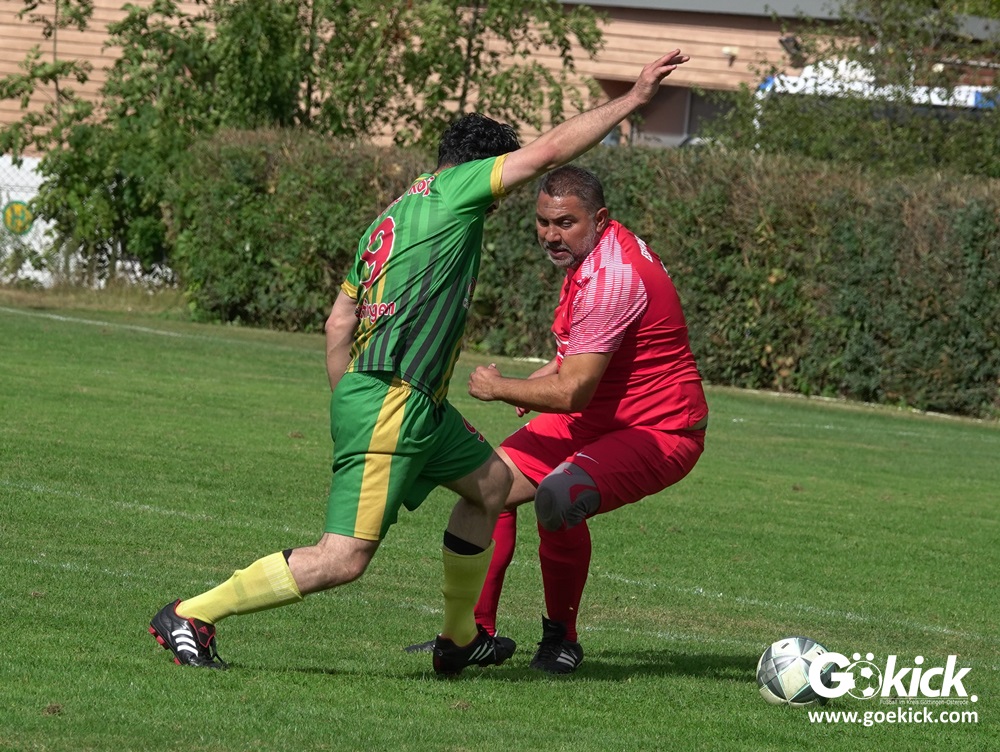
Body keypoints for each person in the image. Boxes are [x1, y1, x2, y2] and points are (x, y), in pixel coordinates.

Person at [148, 50, 690, 677]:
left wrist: (346, 401)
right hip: (392, 400)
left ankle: (460, 638)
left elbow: (338, 323)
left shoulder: (390, 218)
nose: (501, 203)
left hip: (412, 405)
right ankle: (192, 613)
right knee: (343, 559)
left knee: (492, 489)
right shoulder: (457, 191)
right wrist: (633, 100)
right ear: (481, 169)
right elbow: (547, 153)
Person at [410, 165, 708, 674]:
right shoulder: (596, 251)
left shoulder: (613, 276)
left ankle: (561, 639)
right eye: (543, 221)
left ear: (600, 218)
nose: (551, 235)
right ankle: (470, 634)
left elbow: (572, 392)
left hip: (659, 429)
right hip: (596, 415)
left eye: (565, 223)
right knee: (486, 486)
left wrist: (500, 387)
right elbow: (594, 347)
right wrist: (547, 373)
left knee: (558, 498)